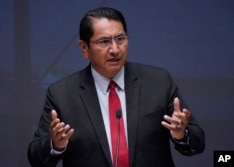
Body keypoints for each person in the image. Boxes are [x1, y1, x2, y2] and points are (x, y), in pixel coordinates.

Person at [27, 7, 205, 167]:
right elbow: (36, 157)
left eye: (120, 39)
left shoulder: (158, 81)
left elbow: (198, 143)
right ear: (84, 48)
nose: (115, 49)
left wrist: (181, 134)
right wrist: (56, 145)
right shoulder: (62, 93)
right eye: (104, 42)